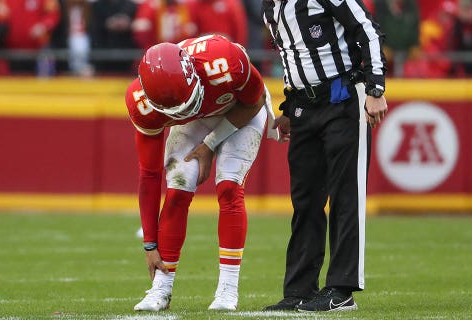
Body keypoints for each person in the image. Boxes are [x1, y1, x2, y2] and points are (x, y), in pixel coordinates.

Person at [126, 34, 277, 312]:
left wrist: (209, 145)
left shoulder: (224, 60)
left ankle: (227, 290)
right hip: (195, 120)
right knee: (177, 189)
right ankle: (161, 287)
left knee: (229, 187)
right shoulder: (141, 102)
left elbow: (253, 103)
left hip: (238, 111)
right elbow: (149, 176)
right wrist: (149, 245)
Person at [262, 0, 388, 312]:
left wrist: (375, 89)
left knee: (346, 194)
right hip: (305, 107)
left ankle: (342, 289)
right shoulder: (270, 8)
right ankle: (300, 290)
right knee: (305, 201)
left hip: (343, 97)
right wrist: (290, 108)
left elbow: (368, 30)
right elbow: (295, 58)